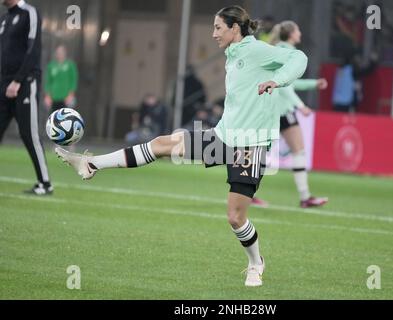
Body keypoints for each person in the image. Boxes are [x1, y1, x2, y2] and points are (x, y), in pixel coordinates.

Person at [55, 5, 308, 287]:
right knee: (162, 143)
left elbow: (299, 58)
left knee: (235, 217)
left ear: (235, 28)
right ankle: (91, 164)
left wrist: (278, 80)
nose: (213, 34)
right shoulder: (233, 54)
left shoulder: (256, 51)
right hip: (222, 137)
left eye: (218, 28)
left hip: (251, 145)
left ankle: (255, 262)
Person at [252, 21, 328, 208]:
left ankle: (304, 197)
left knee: (268, 151)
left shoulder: (280, 50)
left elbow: (291, 84)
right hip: (280, 110)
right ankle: (304, 197)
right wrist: (300, 105)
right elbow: (282, 85)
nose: (300, 33)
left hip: (275, 109)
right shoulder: (285, 52)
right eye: (298, 30)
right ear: (292, 34)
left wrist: (313, 84)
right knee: (291, 150)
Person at [0, 0, 52, 195]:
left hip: (24, 83)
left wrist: (18, 81)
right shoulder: (5, 18)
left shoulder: (29, 13)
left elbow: (33, 50)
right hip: (4, 84)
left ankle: (45, 183)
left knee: (28, 134)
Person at [44, 44, 79, 113]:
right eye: (58, 52)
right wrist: (48, 95)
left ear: (65, 53)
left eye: (61, 52)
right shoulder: (51, 65)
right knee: (54, 119)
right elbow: (48, 81)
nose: (60, 54)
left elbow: (73, 80)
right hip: (54, 98)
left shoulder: (70, 65)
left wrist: (71, 94)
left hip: (66, 98)